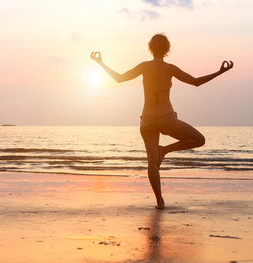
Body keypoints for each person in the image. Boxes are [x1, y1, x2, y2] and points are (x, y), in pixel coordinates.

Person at [90, 33, 233, 209]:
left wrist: (100, 63)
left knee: (152, 162)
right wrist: (220, 72)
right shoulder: (170, 68)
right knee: (199, 140)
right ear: (167, 49)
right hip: (166, 119)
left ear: (150, 48)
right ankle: (165, 150)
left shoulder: (144, 66)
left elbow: (119, 78)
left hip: (147, 120)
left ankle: (159, 201)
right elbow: (196, 82)